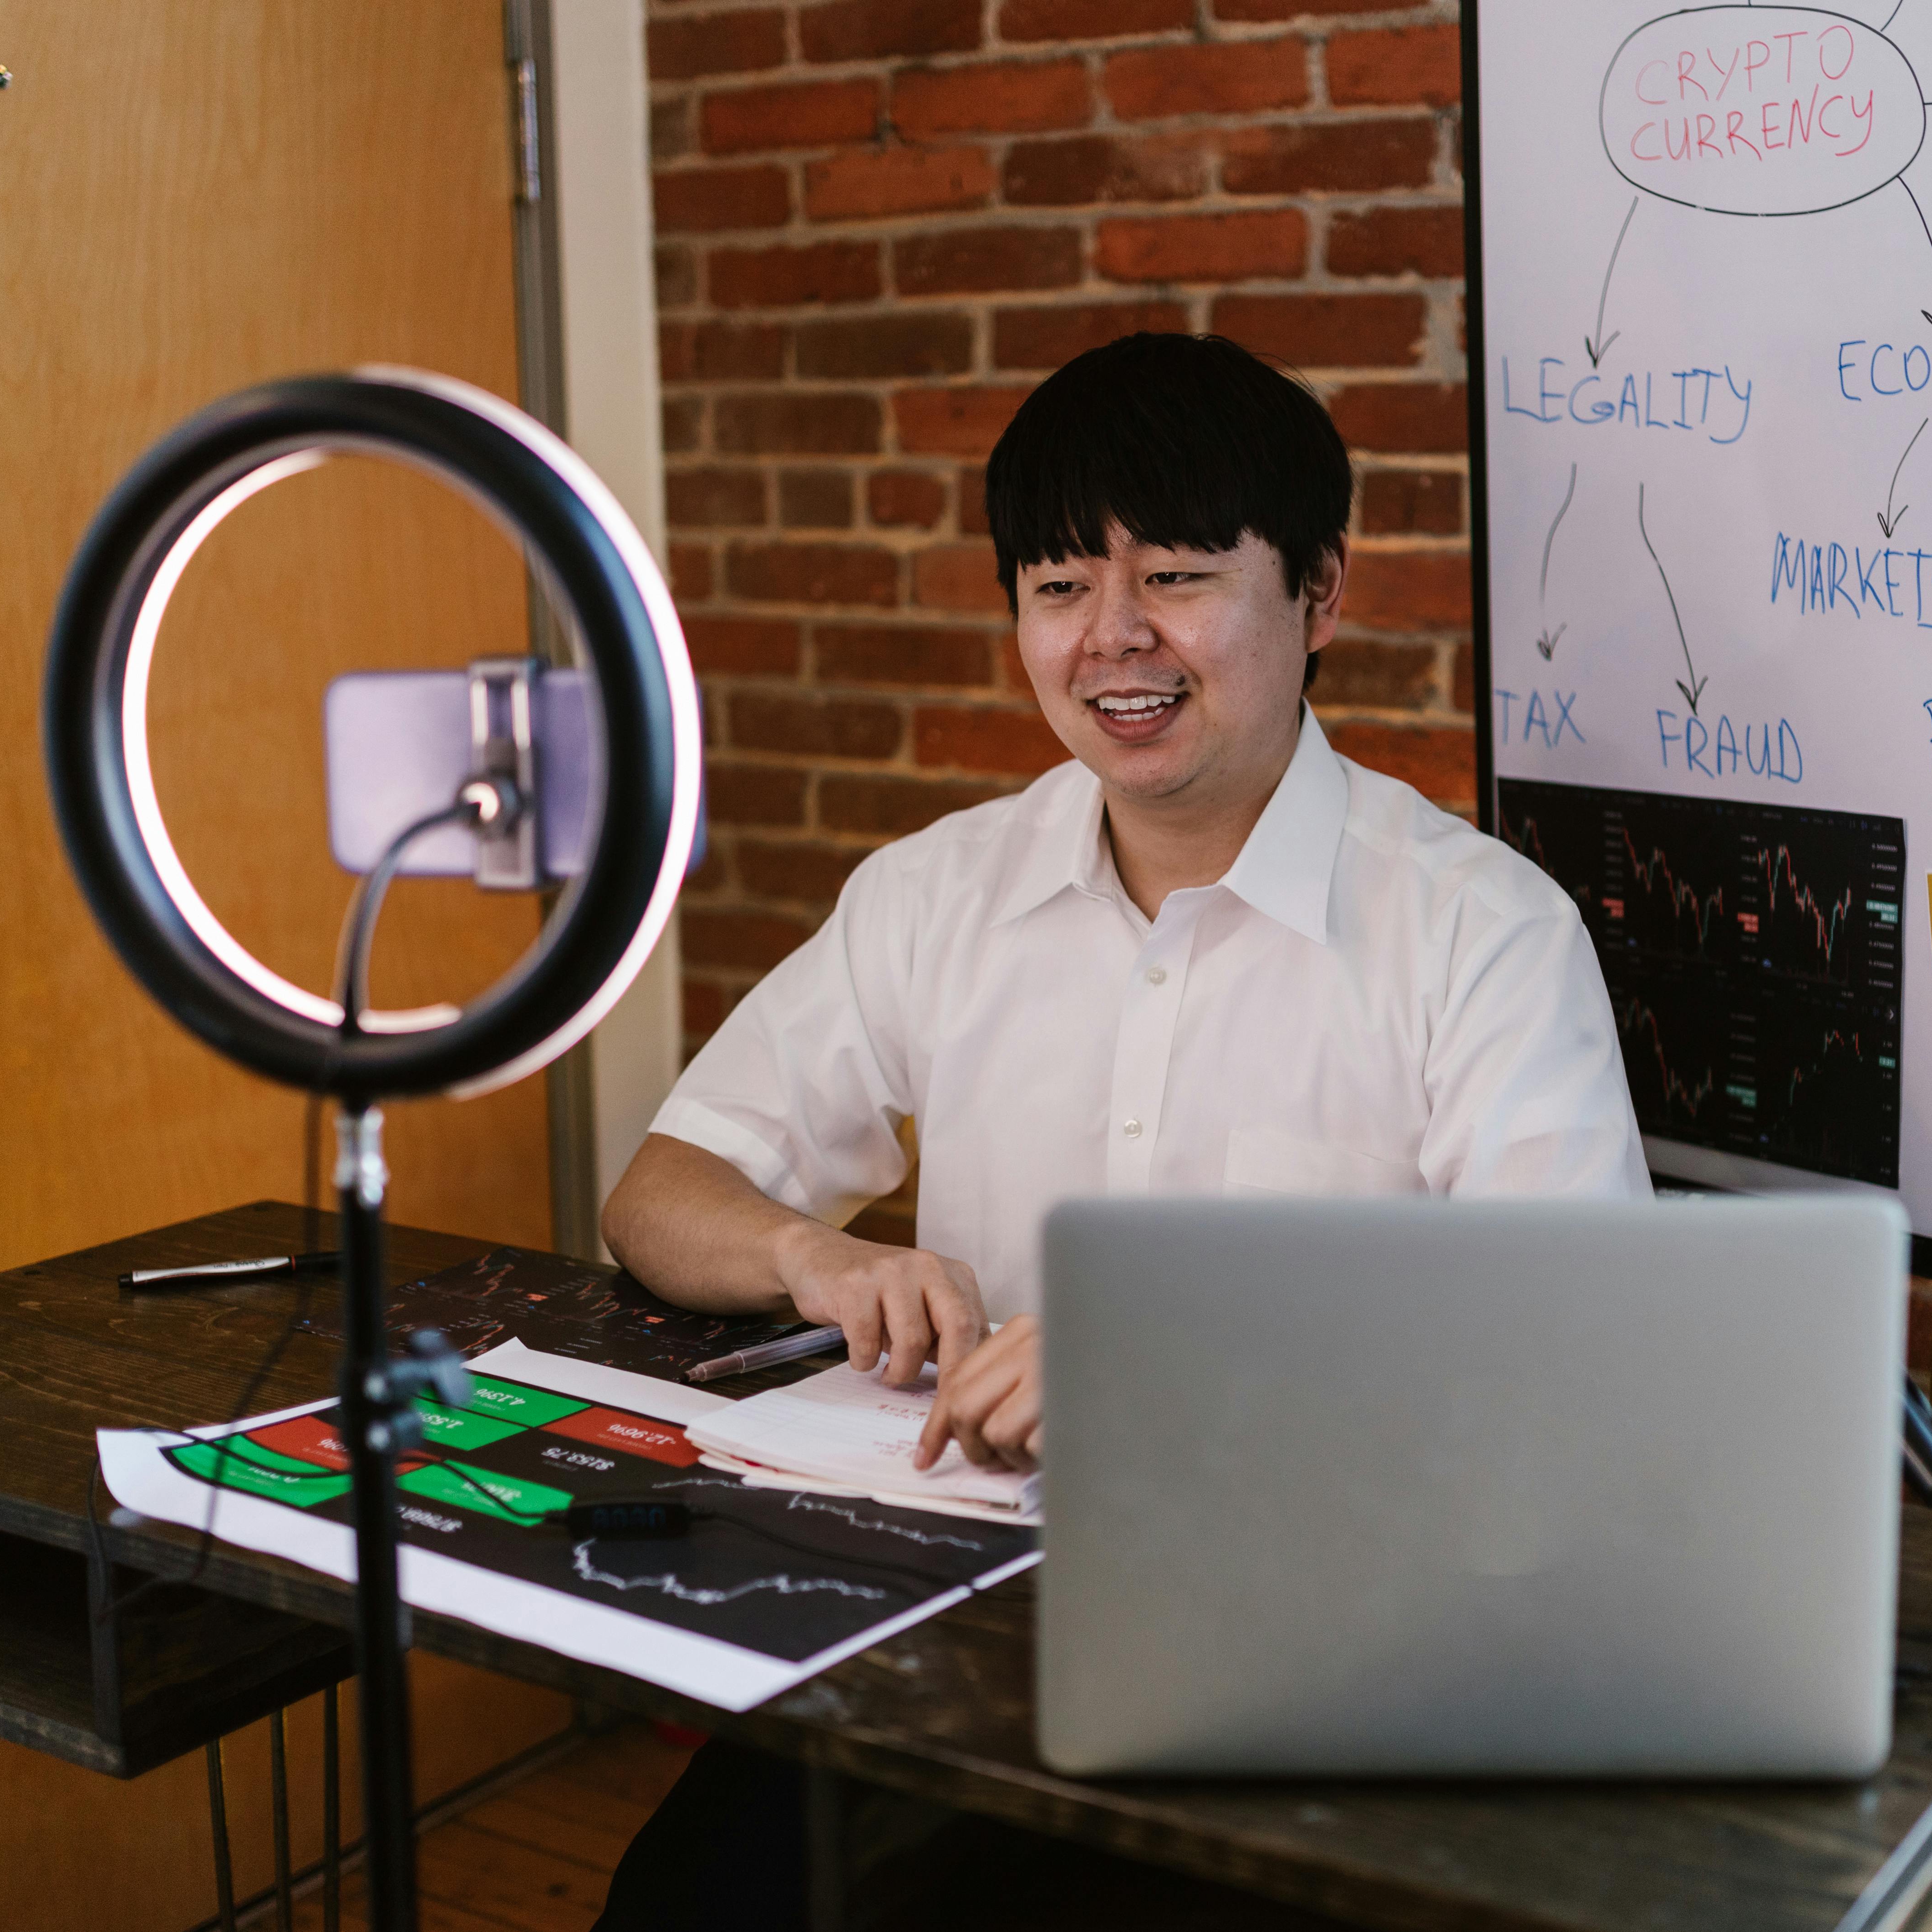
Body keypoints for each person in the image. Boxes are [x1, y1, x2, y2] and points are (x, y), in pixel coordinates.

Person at [590, 332, 1647, 1929]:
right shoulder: (939, 891)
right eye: (1062, 585)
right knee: (690, 1902)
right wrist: (812, 1253)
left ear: (1320, 595)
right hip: (960, 1613)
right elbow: (660, 1194)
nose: (1114, 639)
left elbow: (1580, 1357)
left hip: (1319, 1651)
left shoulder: (1482, 933)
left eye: (1178, 575)